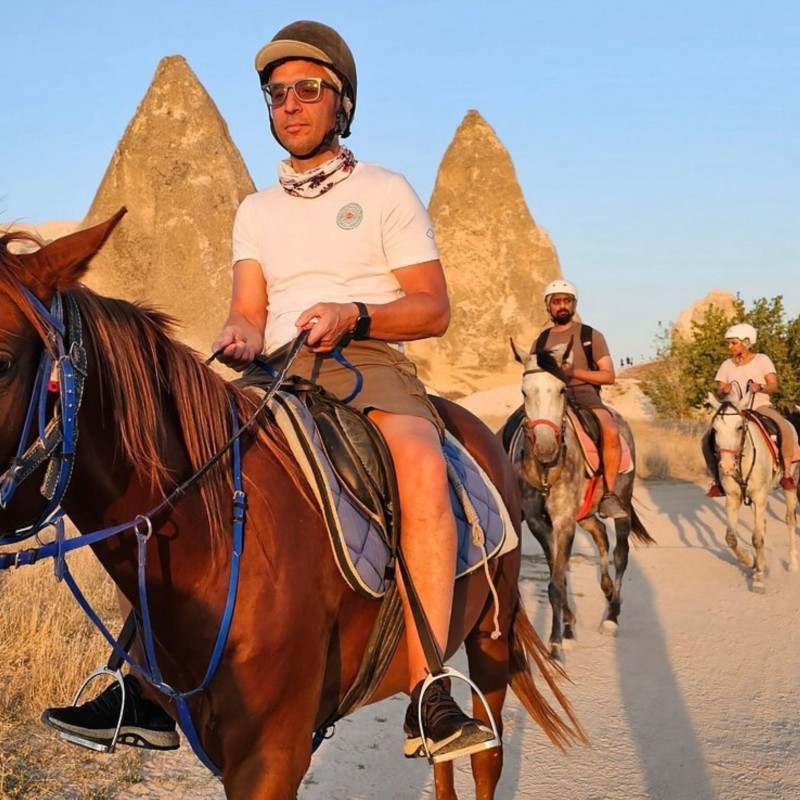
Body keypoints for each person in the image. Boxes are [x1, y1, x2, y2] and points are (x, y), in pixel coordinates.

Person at [43, 20, 495, 763]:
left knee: (418, 463)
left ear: (341, 102)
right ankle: (143, 688)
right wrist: (239, 335)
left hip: (366, 360)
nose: (290, 104)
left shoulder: (384, 191)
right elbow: (249, 312)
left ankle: (429, 687)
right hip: (278, 372)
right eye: (277, 93)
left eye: (308, 89)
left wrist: (355, 313)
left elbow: (432, 307)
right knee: (165, 477)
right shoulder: (256, 210)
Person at [536, 279, 627, 520]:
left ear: (574, 304)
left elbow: (608, 375)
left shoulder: (590, 336)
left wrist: (574, 372)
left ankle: (609, 495)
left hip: (585, 394)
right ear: (548, 306)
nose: (562, 306)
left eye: (567, 301)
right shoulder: (541, 341)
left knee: (610, 430)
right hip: (550, 397)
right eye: (556, 301)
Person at [703, 323, 797, 496]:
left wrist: (760, 387)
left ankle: (786, 474)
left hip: (759, 406)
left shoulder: (762, 360)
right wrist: (723, 391)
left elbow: (774, 385)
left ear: (746, 342)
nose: (729, 346)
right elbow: (720, 390)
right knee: (707, 438)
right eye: (729, 343)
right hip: (733, 410)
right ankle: (717, 479)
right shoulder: (726, 365)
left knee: (784, 427)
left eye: (733, 343)